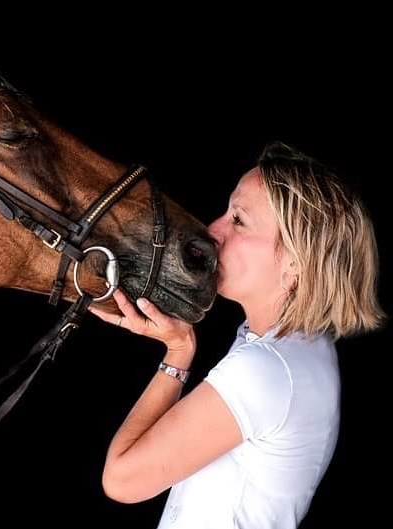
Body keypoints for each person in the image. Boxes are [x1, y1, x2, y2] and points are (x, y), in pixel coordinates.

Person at [90, 141, 385, 528]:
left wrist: (177, 353)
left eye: (239, 220)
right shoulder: (298, 347)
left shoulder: (267, 370)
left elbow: (122, 480)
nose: (213, 230)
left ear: (295, 264)